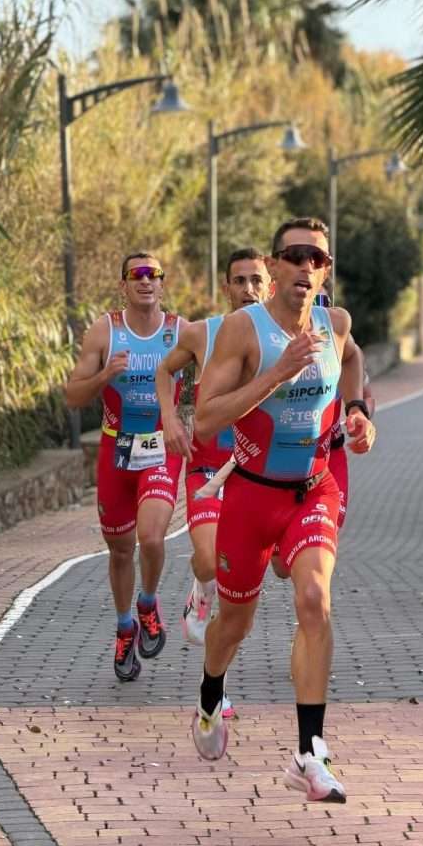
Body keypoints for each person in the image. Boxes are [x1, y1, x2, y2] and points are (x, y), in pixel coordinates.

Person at [190, 217, 376, 803]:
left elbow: (352, 361)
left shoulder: (335, 324)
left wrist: (357, 412)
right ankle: (210, 694)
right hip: (250, 497)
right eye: (295, 256)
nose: (306, 266)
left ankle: (309, 753)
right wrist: (277, 373)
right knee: (234, 625)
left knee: (315, 600)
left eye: (317, 259)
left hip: (313, 490)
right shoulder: (244, 331)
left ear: (325, 272)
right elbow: (206, 418)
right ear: (273, 267)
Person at [65, 252, 186, 682]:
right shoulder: (106, 331)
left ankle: (148, 603)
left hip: (160, 447)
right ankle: (124, 628)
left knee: (151, 537)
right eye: (137, 275)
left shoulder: (180, 331)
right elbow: (72, 396)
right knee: (120, 549)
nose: (146, 281)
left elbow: (220, 373)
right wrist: (104, 376)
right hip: (116, 449)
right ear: (124, 285)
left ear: (162, 283)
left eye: (154, 274)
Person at [155, 248, 271, 646]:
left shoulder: (282, 338)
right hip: (208, 469)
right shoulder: (202, 333)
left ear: (270, 286)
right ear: (227, 288)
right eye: (239, 281)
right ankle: (201, 592)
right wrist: (170, 417)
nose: (248, 289)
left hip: (261, 473)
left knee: (266, 572)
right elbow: (164, 370)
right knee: (208, 561)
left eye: (256, 280)